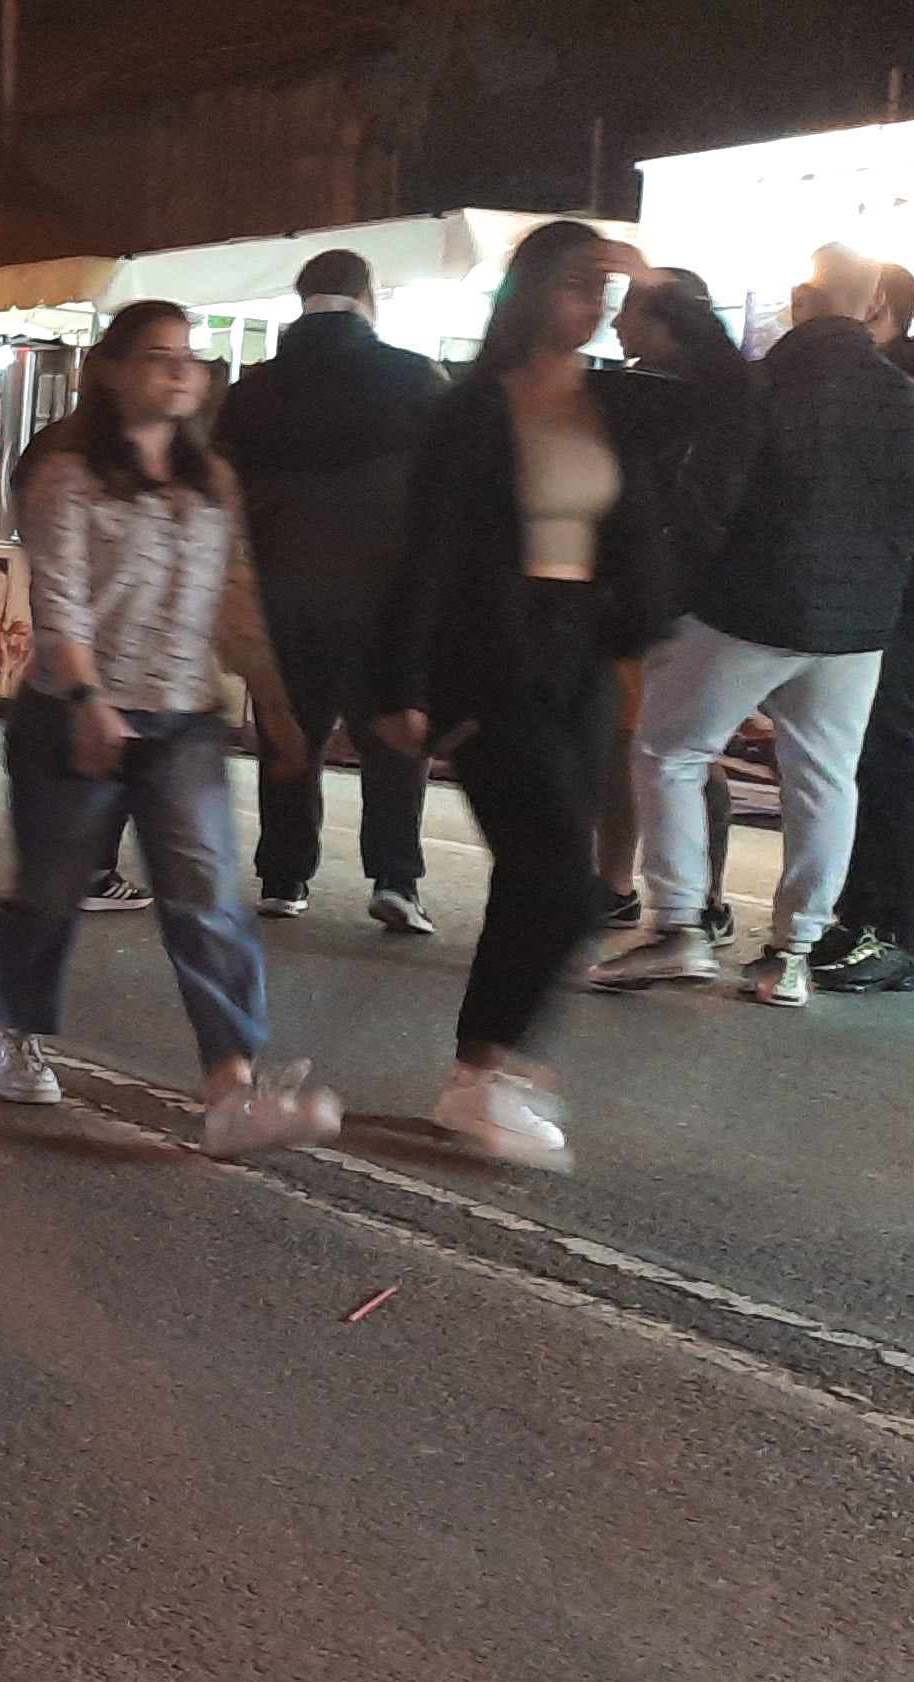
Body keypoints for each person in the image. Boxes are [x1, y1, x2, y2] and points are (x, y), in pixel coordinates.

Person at [0, 300, 341, 1157]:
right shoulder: (66, 474)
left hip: (184, 718)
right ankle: (18, 1028)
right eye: (156, 354)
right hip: (73, 716)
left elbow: (235, 596)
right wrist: (88, 701)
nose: (180, 370)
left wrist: (275, 704)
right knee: (51, 889)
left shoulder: (210, 480)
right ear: (109, 371)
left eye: (190, 355)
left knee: (206, 897)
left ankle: (232, 1091)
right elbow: (60, 600)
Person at [367, 222, 687, 1171]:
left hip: (581, 654)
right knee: (558, 874)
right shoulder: (471, 408)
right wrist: (398, 681)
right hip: (489, 656)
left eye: (604, 287)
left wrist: (662, 291)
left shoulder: (616, 401)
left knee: (543, 874)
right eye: (578, 283)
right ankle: (493, 1070)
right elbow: (423, 548)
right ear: (534, 290)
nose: (595, 301)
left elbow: (731, 403)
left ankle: (481, 1074)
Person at [591, 245, 914, 1008]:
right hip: (860, 626)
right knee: (824, 778)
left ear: (800, 302)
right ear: (873, 306)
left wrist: (670, 597)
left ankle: (679, 927)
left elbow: (708, 504)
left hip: (752, 607)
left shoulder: (764, 388)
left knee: (669, 751)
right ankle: (792, 955)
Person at [217, 250, 448, 933]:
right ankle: (396, 878)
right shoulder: (416, 379)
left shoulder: (254, 389)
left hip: (284, 590)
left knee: (290, 732)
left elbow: (223, 495)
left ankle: (284, 876)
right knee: (394, 735)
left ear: (300, 297)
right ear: (367, 295)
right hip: (386, 596)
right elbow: (449, 493)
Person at [594, 267, 761, 937]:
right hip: (683, 594)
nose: (615, 323)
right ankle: (689, 896)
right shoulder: (729, 397)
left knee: (659, 746)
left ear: (668, 322)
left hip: (668, 596)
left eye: (630, 311)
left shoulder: (666, 403)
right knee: (678, 747)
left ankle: (633, 887)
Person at [816, 265, 914, 995]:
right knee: (865, 752)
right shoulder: (897, 378)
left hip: (912, 596)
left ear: (874, 304)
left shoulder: (913, 385)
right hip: (887, 589)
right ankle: (861, 917)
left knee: (893, 750)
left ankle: (893, 931)